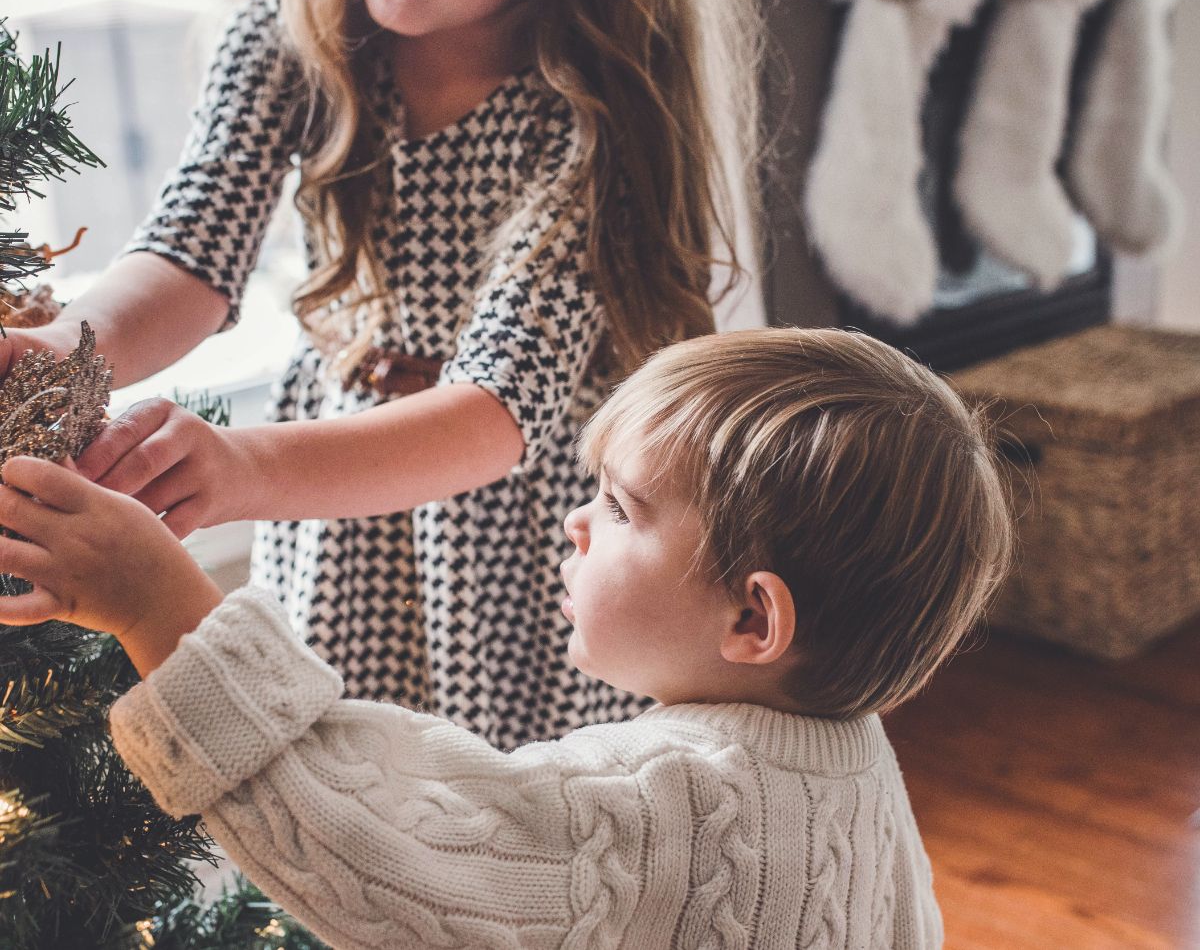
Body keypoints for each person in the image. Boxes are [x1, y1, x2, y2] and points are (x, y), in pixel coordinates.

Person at [0, 327, 1013, 948]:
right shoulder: (856, 766)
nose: (575, 521)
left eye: (619, 507)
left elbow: (379, 850)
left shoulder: (664, 801)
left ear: (753, 617)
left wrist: (156, 605)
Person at [0, 0, 761, 746]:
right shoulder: (286, 36)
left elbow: (498, 406)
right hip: (332, 503)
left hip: (513, 524)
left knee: (493, 803)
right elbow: (191, 252)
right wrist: (65, 350)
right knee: (335, 788)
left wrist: (237, 466)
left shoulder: (588, 100)